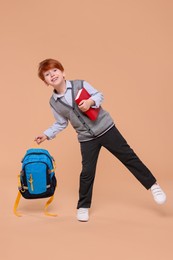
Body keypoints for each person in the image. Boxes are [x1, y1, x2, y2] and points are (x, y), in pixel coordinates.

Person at [35, 58, 166, 222]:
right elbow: (61, 123)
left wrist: (90, 102)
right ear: (46, 82)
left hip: (106, 129)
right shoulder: (54, 103)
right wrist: (46, 134)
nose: (52, 75)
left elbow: (99, 95)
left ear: (63, 72)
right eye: (47, 74)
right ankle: (83, 206)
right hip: (86, 137)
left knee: (129, 157)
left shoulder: (80, 84)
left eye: (54, 70)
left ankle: (153, 186)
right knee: (87, 172)